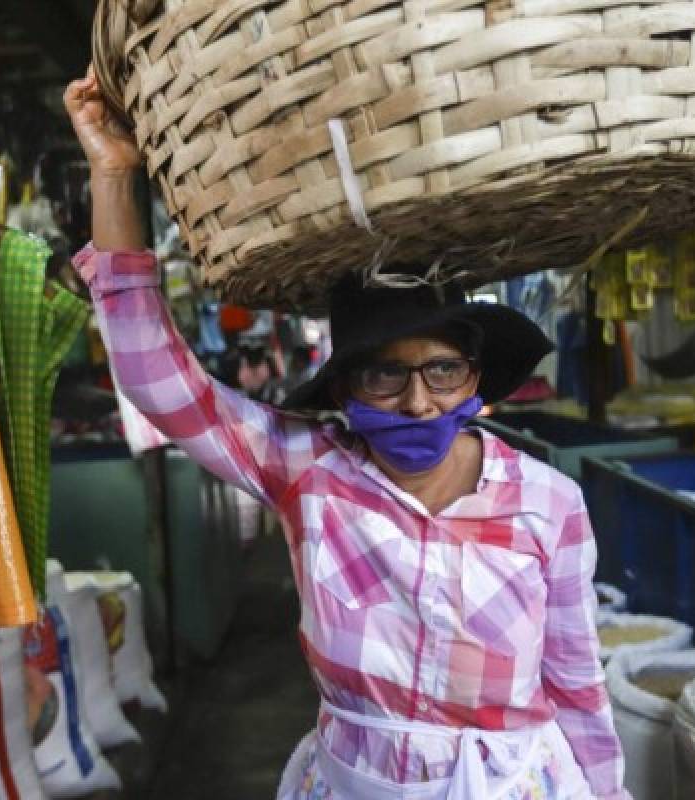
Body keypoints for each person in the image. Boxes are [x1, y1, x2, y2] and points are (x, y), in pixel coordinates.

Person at [65, 68, 628, 800]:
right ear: (341, 389)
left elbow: (579, 686)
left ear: (476, 375)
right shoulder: (310, 472)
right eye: (384, 377)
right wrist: (113, 177)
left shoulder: (548, 505)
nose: (420, 403)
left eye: (444, 371)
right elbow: (158, 383)